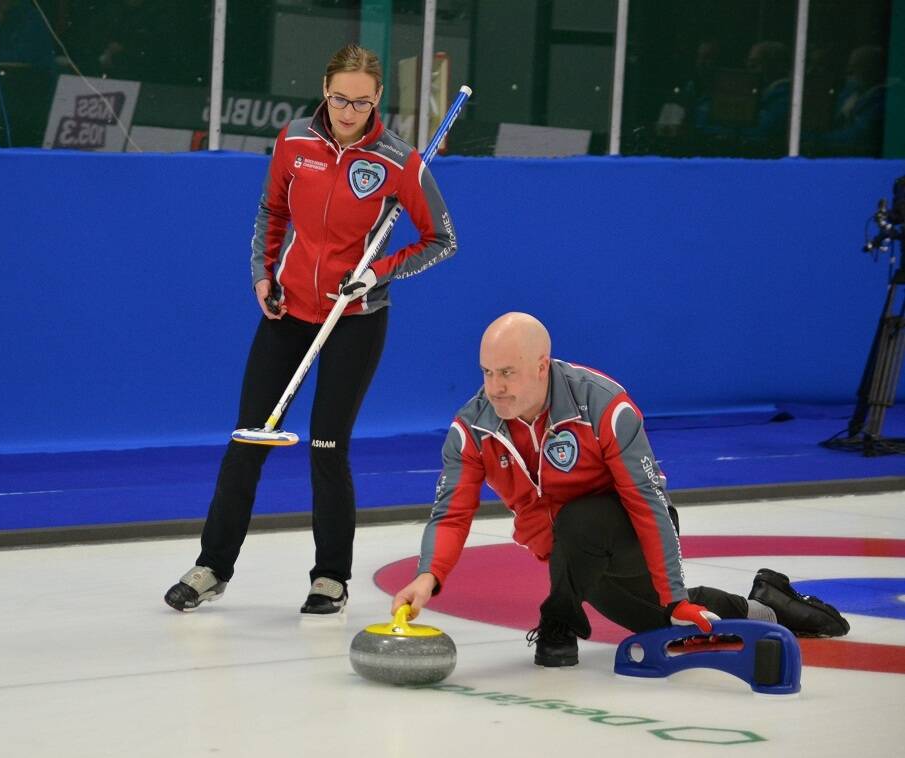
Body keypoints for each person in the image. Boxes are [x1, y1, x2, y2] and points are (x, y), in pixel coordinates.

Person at [164, 43, 457, 615]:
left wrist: (376, 272)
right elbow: (272, 211)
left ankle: (330, 578)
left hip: (355, 319)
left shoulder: (399, 162)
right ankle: (212, 567)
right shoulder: (294, 141)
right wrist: (263, 273)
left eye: (362, 103)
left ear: (378, 100)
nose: (349, 112)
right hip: (289, 311)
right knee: (248, 439)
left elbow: (441, 240)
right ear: (325, 90)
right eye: (340, 99)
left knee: (327, 446)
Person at [392, 313, 849, 666]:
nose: (494, 388)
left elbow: (646, 503)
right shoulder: (473, 428)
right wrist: (428, 575)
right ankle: (767, 605)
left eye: (507, 373)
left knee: (581, 521)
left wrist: (672, 591)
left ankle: (558, 623)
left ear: (541, 366)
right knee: (660, 625)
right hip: (570, 555)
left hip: (627, 530)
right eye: (487, 372)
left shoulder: (602, 405)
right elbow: (452, 513)